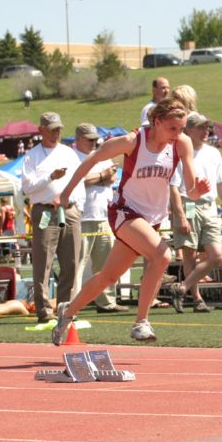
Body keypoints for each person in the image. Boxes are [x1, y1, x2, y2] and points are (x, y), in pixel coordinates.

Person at [51, 98, 211, 344]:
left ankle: (68, 311)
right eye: (172, 129)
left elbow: (190, 190)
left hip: (152, 218)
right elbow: (92, 159)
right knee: (162, 255)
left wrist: (198, 190)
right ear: (157, 122)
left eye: (181, 129)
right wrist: (65, 193)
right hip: (125, 211)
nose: (177, 135)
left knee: (108, 277)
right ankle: (141, 322)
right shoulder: (133, 141)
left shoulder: (182, 144)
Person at [168, 112, 222, 314]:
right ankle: (197, 299)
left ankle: (181, 288)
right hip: (187, 204)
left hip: (209, 205)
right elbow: (173, 187)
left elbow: (221, 184)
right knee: (189, 254)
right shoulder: (178, 153)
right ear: (188, 130)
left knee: (216, 255)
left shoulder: (213, 153)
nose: (206, 131)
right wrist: (179, 214)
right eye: (201, 127)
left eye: (207, 127)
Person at [21, 112, 85, 323]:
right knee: (43, 262)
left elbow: (79, 180)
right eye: (52, 130)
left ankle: (66, 308)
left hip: (70, 210)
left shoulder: (68, 152)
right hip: (45, 210)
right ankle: (44, 310)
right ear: (41, 131)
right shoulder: (32, 155)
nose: (56, 133)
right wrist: (50, 177)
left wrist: (79, 208)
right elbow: (27, 187)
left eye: (58, 129)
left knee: (72, 262)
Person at [72, 122, 129, 314]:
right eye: (89, 140)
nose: (93, 143)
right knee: (77, 264)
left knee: (105, 264)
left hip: (103, 217)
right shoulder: (72, 157)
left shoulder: (102, 156)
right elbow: (77, 181)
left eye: (95, 140)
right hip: (81, 217)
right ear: (78, 139)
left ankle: (107, 302)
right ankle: (73, 301)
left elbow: (111, 178)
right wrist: (101, 176)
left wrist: (98, 177)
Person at [0, 196, 16, 262]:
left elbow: (3, 219)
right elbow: (13, 218)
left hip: (5, 227)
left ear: (1, 202)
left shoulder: (3, 208)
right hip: (11, 227)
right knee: (10, 242)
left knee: (3, 242)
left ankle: (4, 257)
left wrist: (1, 228)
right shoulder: (12, 208)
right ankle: (11, 256)